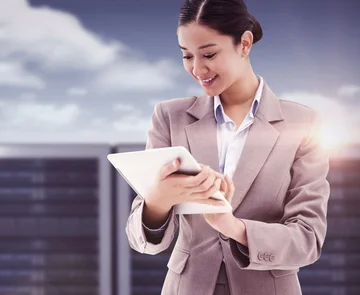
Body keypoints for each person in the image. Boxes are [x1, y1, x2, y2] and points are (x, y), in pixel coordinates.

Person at [125, 0, 331, 294]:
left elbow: (308, 239)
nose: (197, 69)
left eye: (209, 54)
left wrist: (233, 227)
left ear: (244, 44)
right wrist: (157, 202)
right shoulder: (169, 118)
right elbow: (139, 240)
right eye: (186, 56)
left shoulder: (303, 123)